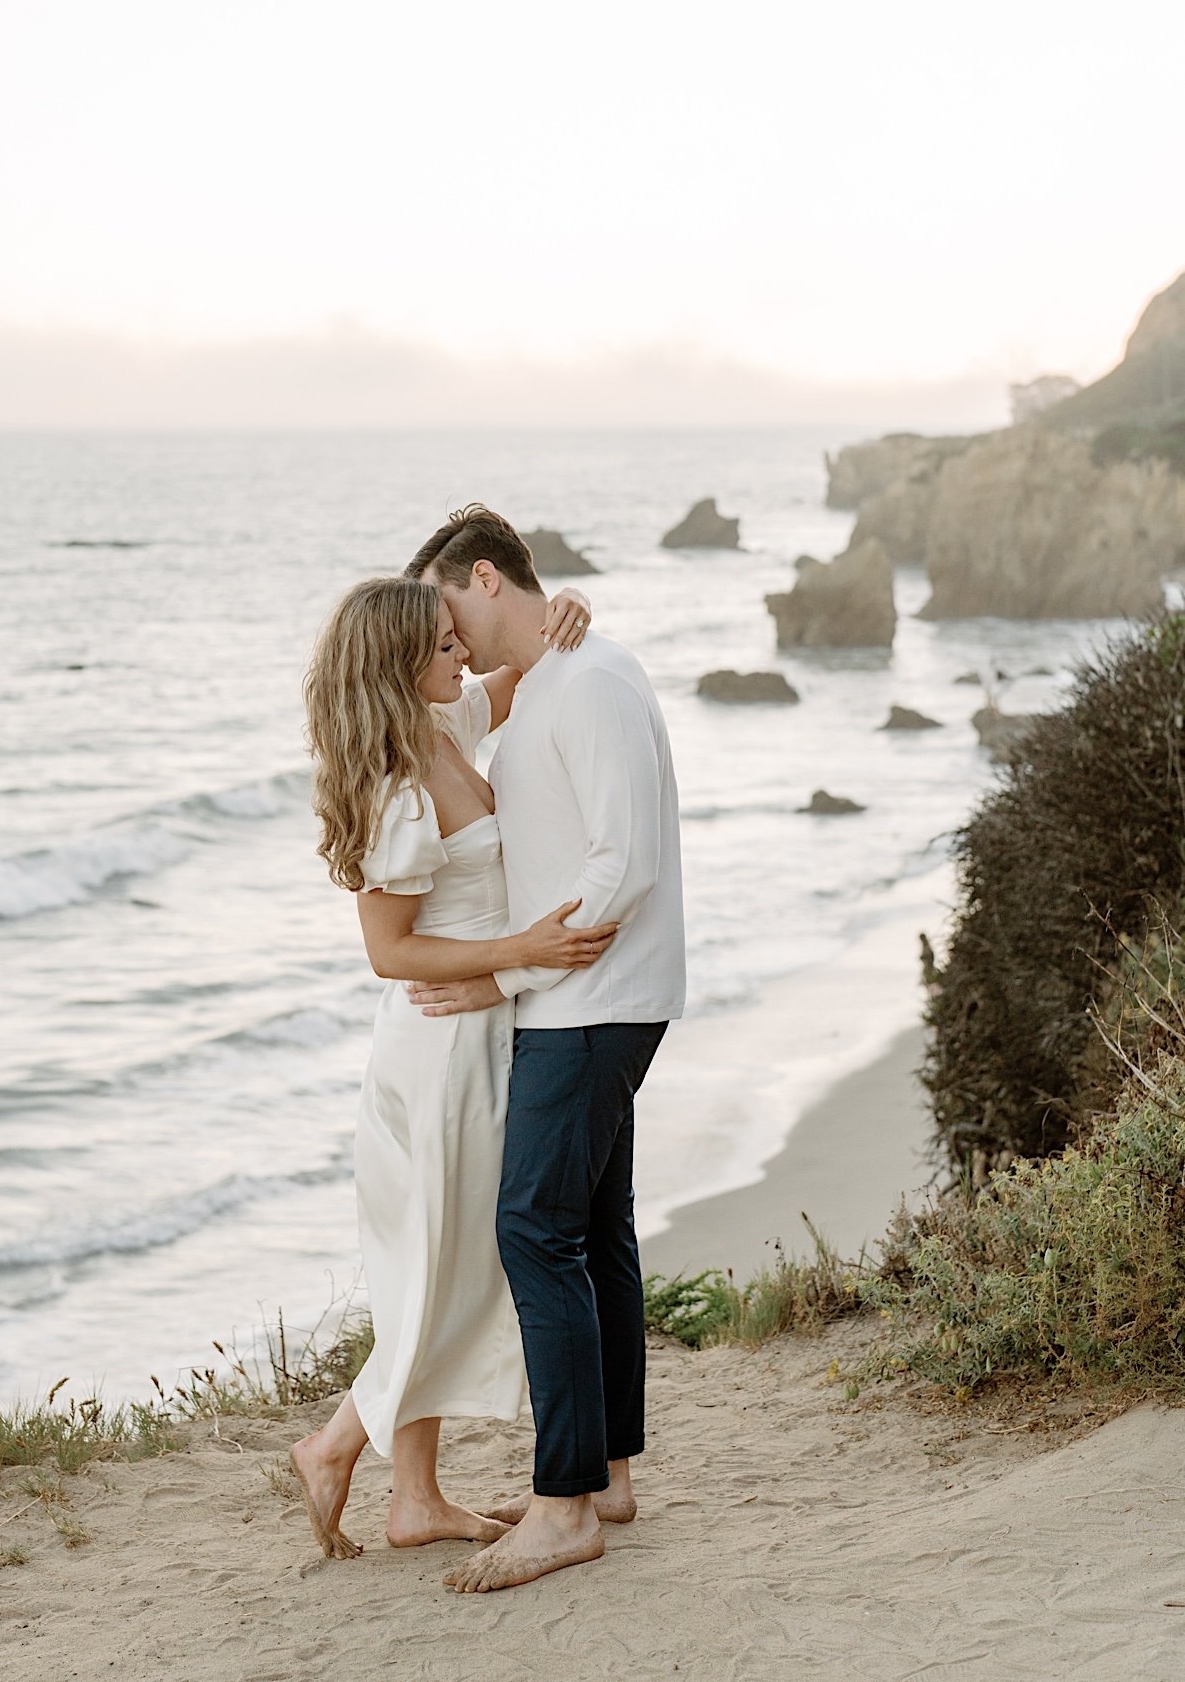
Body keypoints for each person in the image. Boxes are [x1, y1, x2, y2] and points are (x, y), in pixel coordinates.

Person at [291, 573, 614, 1558]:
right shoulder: (395, 787)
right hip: (437, 1055)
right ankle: (337, 1444)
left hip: (480, 1035)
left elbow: (518, 671)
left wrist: (564, 615)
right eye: (441, 645)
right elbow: (390, 954)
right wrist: (518, 957)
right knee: (447, 1268)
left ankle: (415, 1500)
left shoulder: (447, 725)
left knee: (437, 1268)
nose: (461, 655)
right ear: (398, 665)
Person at [403, 506, 686, 1595]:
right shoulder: (552, 681)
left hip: (592, 1001)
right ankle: (605, 1475)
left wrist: (504, 972)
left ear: (486, 578)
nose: (449, 635)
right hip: (580, 997)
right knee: (594, 1226)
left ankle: (566, 1508)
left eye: (448, 611)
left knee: (534, 1228)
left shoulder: (597, 678)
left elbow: (627, 863)